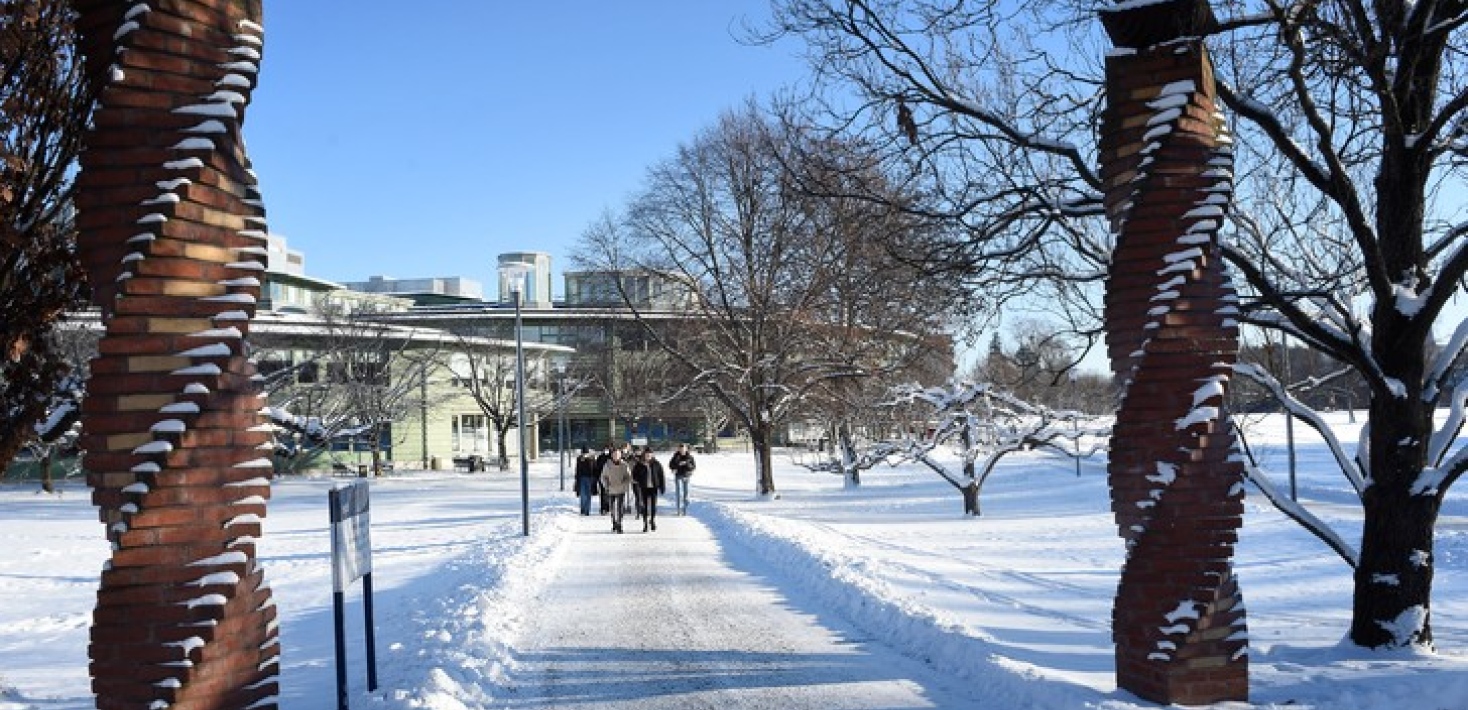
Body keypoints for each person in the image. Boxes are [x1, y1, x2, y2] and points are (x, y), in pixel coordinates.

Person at [599, 448, 633, 534]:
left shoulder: (624, 465)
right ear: (612, 456)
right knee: (613, 508)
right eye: (614, 454)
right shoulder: (607, 465)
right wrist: (606, 485)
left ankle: (619, 524)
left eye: (618, 455)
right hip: (611, 489)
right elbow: (603, 476)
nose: (616, 456)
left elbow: (628, 477)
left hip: (621, 489)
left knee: (620, 508)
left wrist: (625, 484)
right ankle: (614, 522)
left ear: (620, 455)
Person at [631, 448, 666, 532]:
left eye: (650, 455)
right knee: (645, 506)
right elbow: (634, 474)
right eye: (647, 455)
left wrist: (662, 487)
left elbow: (661, 475)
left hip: (654, 487)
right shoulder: (639, 464)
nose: (648, 456)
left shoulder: (656, 464)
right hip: (644, 487)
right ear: (644, 455)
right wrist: (637, 480)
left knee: (653, 506)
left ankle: (653, 520)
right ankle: (645, 523)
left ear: (652, 455)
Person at [668, 442, 696, 516]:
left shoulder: (690, 457)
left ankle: (685, 509)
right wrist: (676, 466)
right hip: (678, 476)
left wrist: (687, 464)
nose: (682, 450)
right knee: (678, 493)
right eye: (680, 448)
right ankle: (678, 510)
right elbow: (671, 465)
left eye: (683, 448)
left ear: (686, 449)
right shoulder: (675, 456)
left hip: (686, 476)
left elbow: (693, 467)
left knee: (686, 494)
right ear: (678, 449)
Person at [573, 447, 598, 516]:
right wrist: (576, 479)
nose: (584, 454)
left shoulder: (592, 459)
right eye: (583, 453)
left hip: (590, 478)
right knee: (583, 495)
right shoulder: (579, 459)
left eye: (586, 453)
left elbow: (594, 469)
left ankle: (587, 510)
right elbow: (577, 469)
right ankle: (583, 509)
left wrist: (595, 479)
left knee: (588, 495)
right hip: (581, 478)